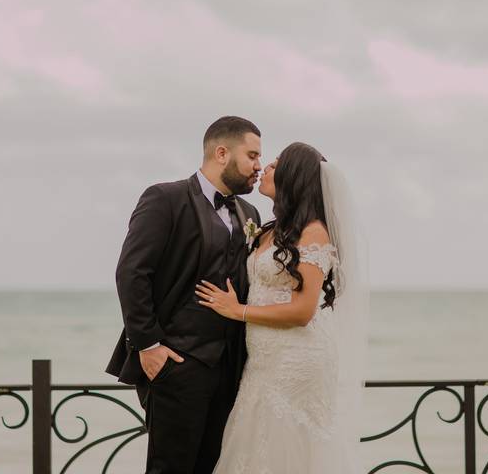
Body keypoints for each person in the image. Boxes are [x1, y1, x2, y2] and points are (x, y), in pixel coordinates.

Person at [195, 142, 369, 473]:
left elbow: (303, 311)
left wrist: (238, 311)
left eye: (274, 165)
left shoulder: (314, 232)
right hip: (263, 361)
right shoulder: (269, 229)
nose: (264, 169)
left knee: (289, 450)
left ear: (293, 177)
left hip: (298, 359)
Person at [106, 116, 263, 474]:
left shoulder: (250, 213)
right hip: (176, 362)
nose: (258, 166)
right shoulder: (166, 198)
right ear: (222, 153)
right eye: (252, 155)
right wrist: (148, 345)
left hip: (232, 369)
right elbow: (132, 272)